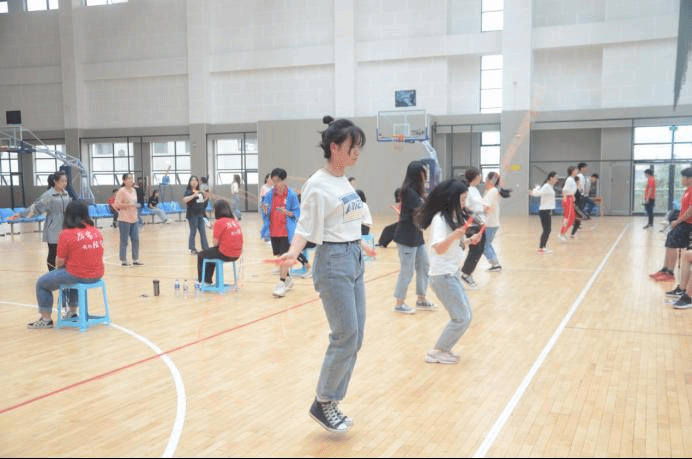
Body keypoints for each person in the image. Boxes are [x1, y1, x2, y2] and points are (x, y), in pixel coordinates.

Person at [276, 115, 375, 433]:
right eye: (351, 146)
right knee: (345, 335)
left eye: (359, 147)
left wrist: (362, 244)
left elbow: (348, 221)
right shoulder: (317, 184)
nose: (356, 152)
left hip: (353, 258)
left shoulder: (343, 180)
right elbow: (305, 225)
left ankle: (331, 400)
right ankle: (323, 401)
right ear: (334, 147)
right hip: (333, 262)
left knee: (356, 336)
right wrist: (293, 252)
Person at [416, 179, 478, 363]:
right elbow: (439, 248)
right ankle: (437, 352)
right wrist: (454, 235)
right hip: (442, 276)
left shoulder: (453, 217)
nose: (464, 202)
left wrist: (468, 240)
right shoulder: (440, 220)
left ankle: (444, 349)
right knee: (461, 317)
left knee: (465, 315)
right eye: (462, 198)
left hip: (452, 273)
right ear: (452, 198)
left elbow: (454, 245)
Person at [27, 200, 104, 329]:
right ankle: (72, 312)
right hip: (98, 274)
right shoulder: (95, 230)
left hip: (79, 274)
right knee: (71, 275)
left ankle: (45, 319)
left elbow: (59, 262)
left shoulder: (67, 233)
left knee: (42, 283)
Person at [392, 160, 436, 313]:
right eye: (424, 173)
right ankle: (399, 303)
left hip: (416, 235)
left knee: (424, 265)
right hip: (406, 237)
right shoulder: (408, 192)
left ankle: (421, 299)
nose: (426, 176)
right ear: (417, 174)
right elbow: (422, 209)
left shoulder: (417, 192)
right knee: (407, 270)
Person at [13, 170, 71, 271]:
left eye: (66, 181)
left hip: (65, 227)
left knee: (65, 253)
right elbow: (36, 207)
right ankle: (51, 274)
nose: (65, 183)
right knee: (53, 253)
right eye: (62, 181)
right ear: (55, 181)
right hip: (53, 227)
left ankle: (63, 274)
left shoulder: (66, 194)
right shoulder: (48, 195)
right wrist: (21, 214)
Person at [261, 167, 301, 297]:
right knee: (280, 257)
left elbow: (297, 213)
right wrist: (264, 208)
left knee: (284, 259)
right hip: (274, 231)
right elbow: (265, 210)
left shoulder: (291, 195)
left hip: (286, 232)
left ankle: (281, 283)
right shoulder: (270, 194)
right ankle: (288, 279)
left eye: (277, 181)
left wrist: (287, 212)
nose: (275, 184)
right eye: (273, 181)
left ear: (284, 180)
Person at [650, 167, 692, 282]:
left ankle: (670, 273)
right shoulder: (687, 190)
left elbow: (690, 210)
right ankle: (664, 269)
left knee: (673, 243)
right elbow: (683, 208)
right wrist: (676, 220)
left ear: (689, 178)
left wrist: (678, 221)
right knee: (670, 239)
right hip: (682, 222)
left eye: (683, 177)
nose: (681, 179)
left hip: (688, 224)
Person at [196, 199, 243, 286]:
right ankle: (207, 281)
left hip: (226, 253)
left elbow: (215, 243)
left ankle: (202, 281)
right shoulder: (233, 221)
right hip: (237, 253)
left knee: (201, 255)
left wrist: (215, 228)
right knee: (211, 254)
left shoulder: (219, 222)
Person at [459, 167, 486, 289]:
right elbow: (464, 208)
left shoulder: (475, 189)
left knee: (480, 249)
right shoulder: (467, 190)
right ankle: (466, 274)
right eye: (479, 175)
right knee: (475, 248)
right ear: (475, 176)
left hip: (481, 222)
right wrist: (472, 218)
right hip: (472, 224)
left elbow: (479, 205)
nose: (480, 177)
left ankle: (466, 272)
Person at [114, 173, 143, 266]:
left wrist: (135, 206)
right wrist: (129, 205)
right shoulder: (121, 191)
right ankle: (123, 260)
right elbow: (117, 205)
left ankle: (135, 259)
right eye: (128, 178)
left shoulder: (134, 190)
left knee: (135, 239)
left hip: (134, 218)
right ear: (124, 180)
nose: (131, 180)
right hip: (124, 219)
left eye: (131, 178)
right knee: (124, 240)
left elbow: (135, 203)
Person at [530, 171, 558, 253]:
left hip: (547, 210)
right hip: (544, 211)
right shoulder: (546, 186)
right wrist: (533, 191)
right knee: (547, 230)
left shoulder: (549, 186)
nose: (556, 180)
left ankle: (542, 247)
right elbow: (538, 194)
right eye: (555, 178)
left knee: (547, 229)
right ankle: (542, 247)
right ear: (551, 178)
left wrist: (535, 191)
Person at [182, 175, 210, 255]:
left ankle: (205, 249)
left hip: (200, 214)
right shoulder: (188, 191)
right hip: (192, 215)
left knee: (203, 232)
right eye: (192, 180)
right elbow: (184, 200)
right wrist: (194, 195)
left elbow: (202, 202)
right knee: (193, 232)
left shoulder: (200, 191)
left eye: (196, 180)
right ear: (190, 182)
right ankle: (192, 249)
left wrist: (206, 197)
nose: (194, 182)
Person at [482, 171, 502, 272]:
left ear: (490, 180)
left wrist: (475, 214)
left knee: (484, 245)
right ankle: (495, 263)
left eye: (486, 179)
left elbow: (486, 207)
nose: (485, 181)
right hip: (492, 223)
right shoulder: (492, 191)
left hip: (490, 224)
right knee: (488, 244)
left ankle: (495, 264)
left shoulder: (492, 191)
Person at [558, 166, 578, 241]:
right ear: (572, 171)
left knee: (572, 217)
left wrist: (573, 197)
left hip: (570, 199)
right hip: (568, 199)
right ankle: (562, 234)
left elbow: (570, 190)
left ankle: (563, 232)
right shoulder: (569, 179)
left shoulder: (572, 179)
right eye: (575, 170)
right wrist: (565, 198)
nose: (577, 172)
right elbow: (565, 190)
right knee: (568, 217)